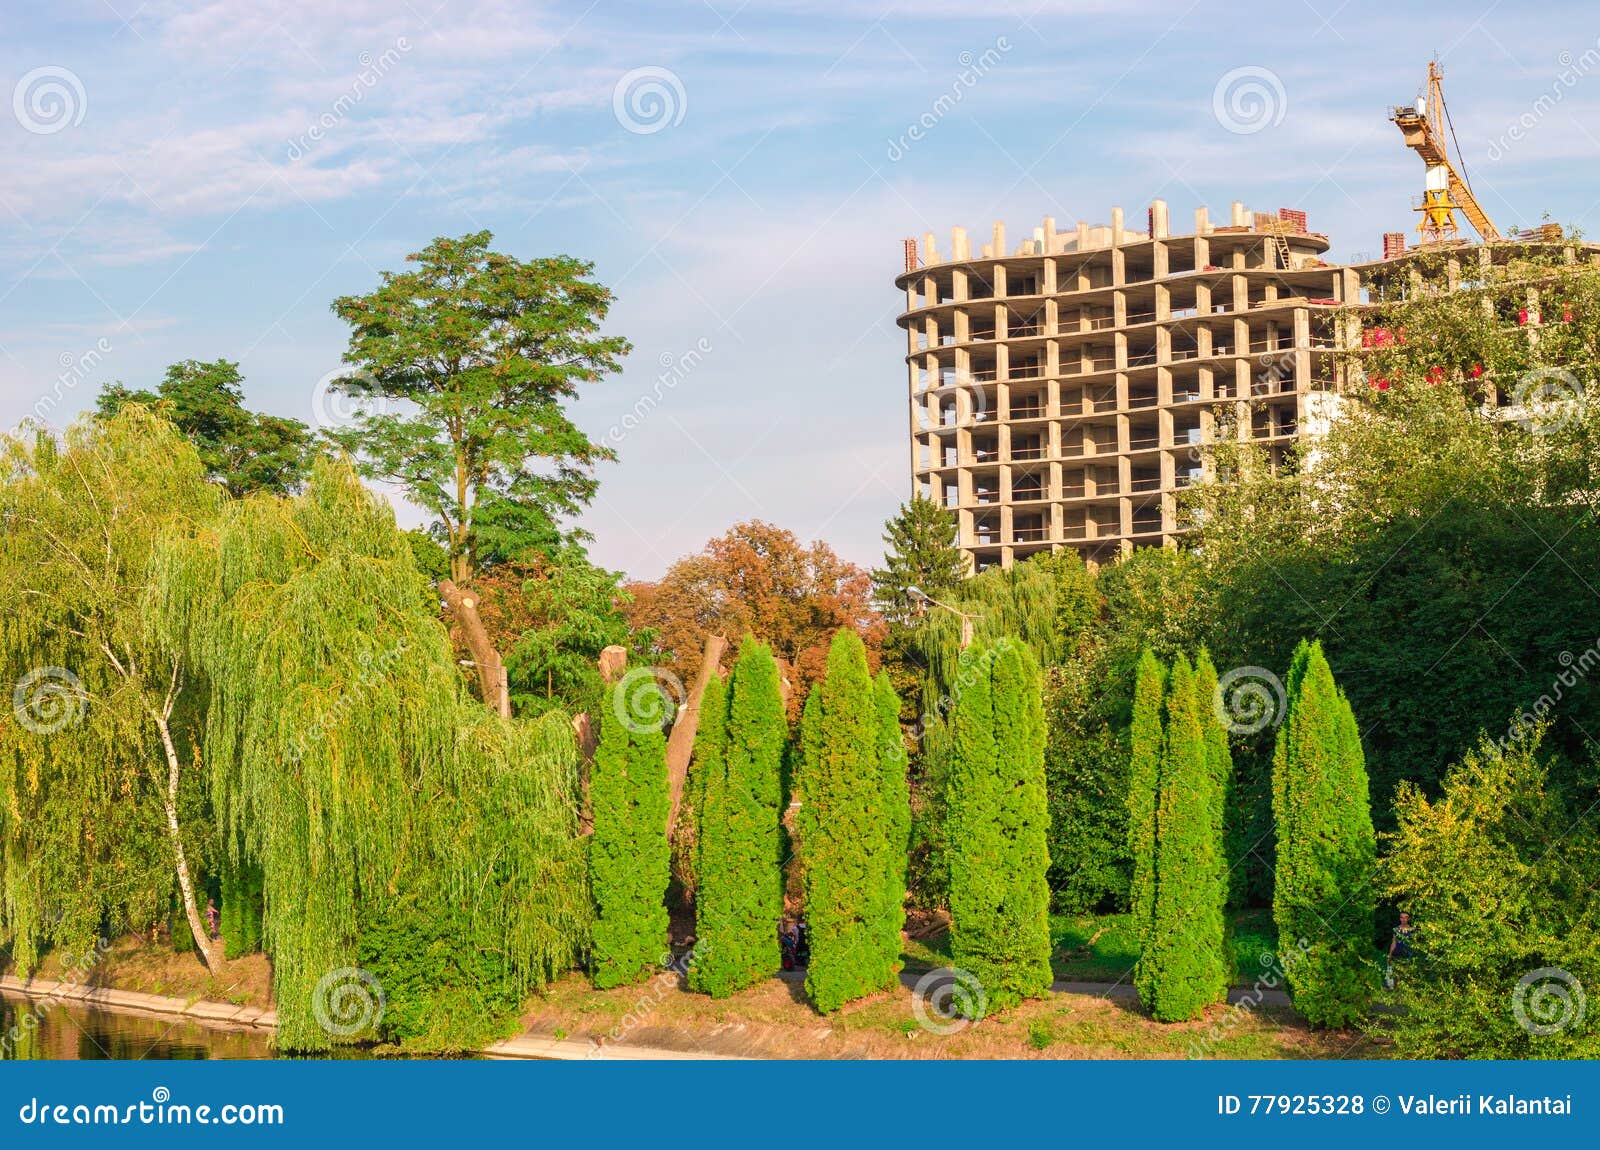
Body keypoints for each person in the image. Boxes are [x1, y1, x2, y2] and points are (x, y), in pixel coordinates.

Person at [1385, 911, 1414, 989]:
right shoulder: (1396, 929)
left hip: (1408, 954)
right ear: (1400, 918)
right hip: (1397, 953)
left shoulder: (1412, 930)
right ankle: (1396, 990)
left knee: (1407, 974)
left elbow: (1415, 944)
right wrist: (1390, 955)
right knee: (1396, 973)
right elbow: (1393, 942)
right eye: (1402, 917)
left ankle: (1407, 992)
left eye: (1406, 917)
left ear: (1408, 919)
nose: (1404, 919)